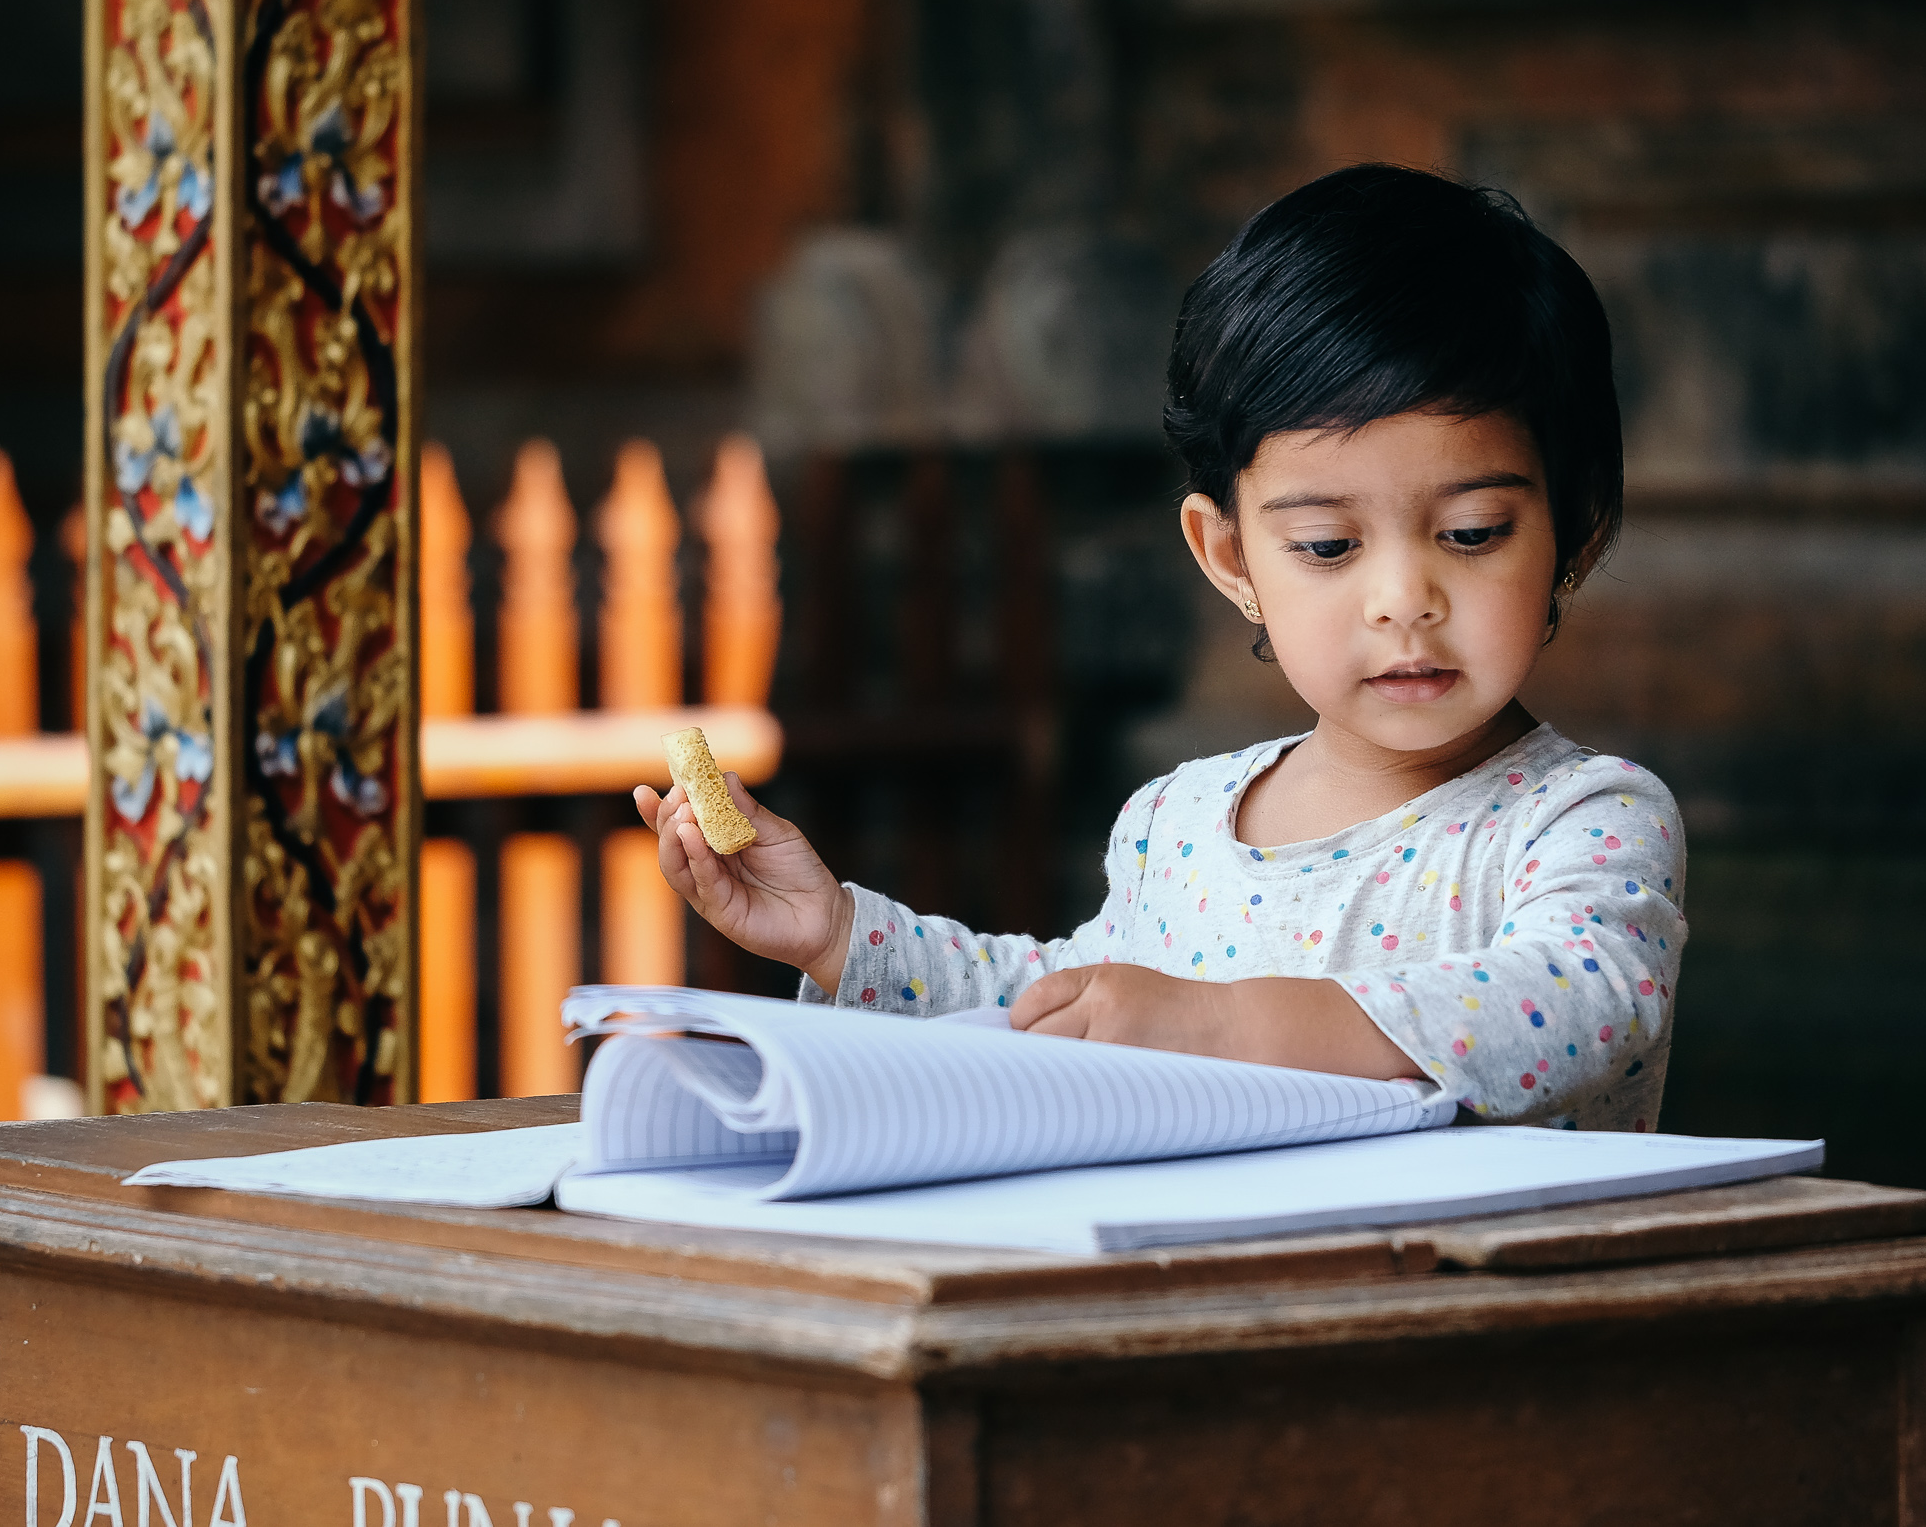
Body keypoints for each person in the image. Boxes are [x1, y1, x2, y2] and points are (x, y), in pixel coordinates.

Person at [634, 164, 1684, 1131]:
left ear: (1574, 530)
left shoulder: (1582, 819)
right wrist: (838, 933)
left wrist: (1226, 1026)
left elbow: (1577, 1003)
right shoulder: (1174, 827)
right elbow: (1062, 1007)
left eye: (1470, 534)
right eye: (1326, 545)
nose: (1402, 599)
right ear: (1228, 555)